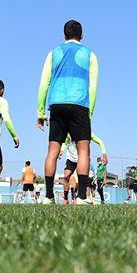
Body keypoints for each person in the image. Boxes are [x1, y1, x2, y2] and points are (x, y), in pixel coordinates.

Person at [37, 20, 99, 205]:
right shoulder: (90, 54)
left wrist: (41, 111)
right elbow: (93, 87)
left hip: (56, 104)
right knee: (83, 150)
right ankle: (81, 197)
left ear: (64, 35)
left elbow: (43, 83)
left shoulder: (53, 52)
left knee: (53, 150)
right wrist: (90, 112)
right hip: (79, 104)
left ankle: (48, 196)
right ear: (82, 35)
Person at [61, 133, 107, 204]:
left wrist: (104, 154)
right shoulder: (69, 132)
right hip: (71, 158)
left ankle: (81, 198)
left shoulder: (87, 131)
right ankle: (66, 199)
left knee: (81, 179)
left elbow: (100, 142)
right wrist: (61, 150)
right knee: (66, 175)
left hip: (82, 158)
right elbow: (66, 141)